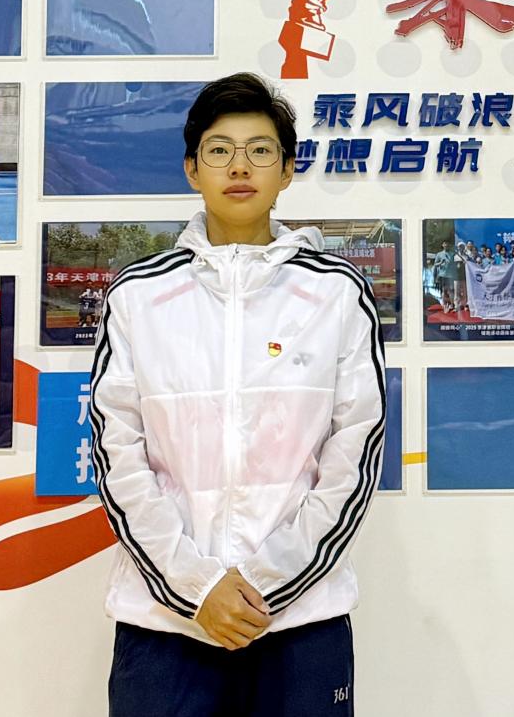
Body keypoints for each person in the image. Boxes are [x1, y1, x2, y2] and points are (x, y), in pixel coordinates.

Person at [90, 72, 384, 717]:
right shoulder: (137, 296)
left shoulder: (337, 293)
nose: (240, 166)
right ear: (192, 169)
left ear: (288, 169)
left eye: (260, 150)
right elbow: (118, 458)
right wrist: (196, 588)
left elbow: (354, 457)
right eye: (220, 150)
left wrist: (260, 585)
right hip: (165, 621)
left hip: (302, 619)